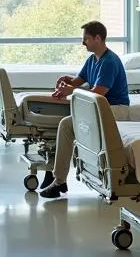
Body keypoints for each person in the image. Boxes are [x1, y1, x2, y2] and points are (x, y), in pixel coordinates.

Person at [39, 20, 130, 200]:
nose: (83, 43)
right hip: (101, 108)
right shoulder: (93, 59)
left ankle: (58, 180)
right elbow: (79, 81)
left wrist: (72, 91)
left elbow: (99, 93)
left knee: (67, 125)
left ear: (98, 38)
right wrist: (68, 81)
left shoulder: (109, 62)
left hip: (115, 109)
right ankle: (57, 176)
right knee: (65, 124)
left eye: (86, 39)